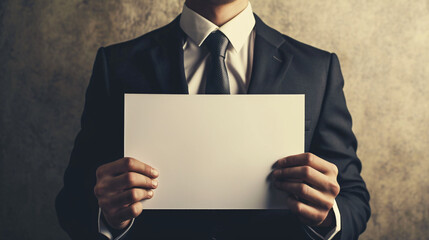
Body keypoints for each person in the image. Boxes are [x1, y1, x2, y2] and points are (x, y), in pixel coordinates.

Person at [56, 0, 370, 239]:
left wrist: (328, 216)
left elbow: (354, 201)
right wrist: (109, 217)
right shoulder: (118, 65)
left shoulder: (317, 69)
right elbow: (73, 203)